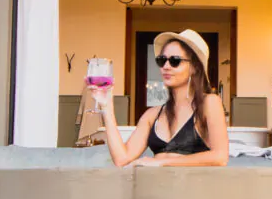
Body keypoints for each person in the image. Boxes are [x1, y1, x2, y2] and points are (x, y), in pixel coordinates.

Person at [90, 29, 229, 168]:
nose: (166, 67)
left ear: (194, 67)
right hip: (153, 187)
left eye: (175, 61)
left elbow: (220, 157)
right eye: (162, 60)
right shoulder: (152, 115)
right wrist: (106, 106)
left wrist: (160, 162)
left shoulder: (209, 102)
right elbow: (121, 159)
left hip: (190, 188)